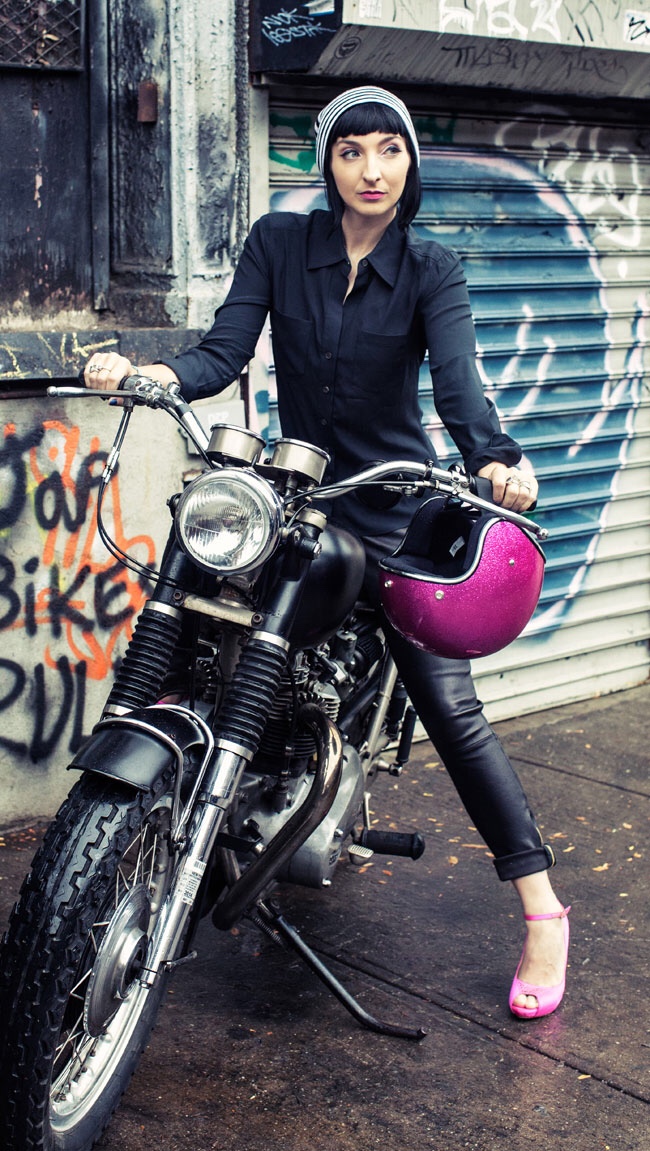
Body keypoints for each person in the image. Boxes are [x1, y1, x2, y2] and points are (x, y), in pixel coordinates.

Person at [84, 85, 570, 1019]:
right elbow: (223, 351)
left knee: (450, 705)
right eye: (352, 152)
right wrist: (153, 373)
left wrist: (499, 460)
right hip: (293, 493)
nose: (372, 170)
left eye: (390, 150)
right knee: (193, 626)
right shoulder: (279, 242)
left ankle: (542, 907)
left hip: (388, 507)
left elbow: (460, 392)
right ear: (328, 163)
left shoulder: (431, 269)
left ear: (410, 163)